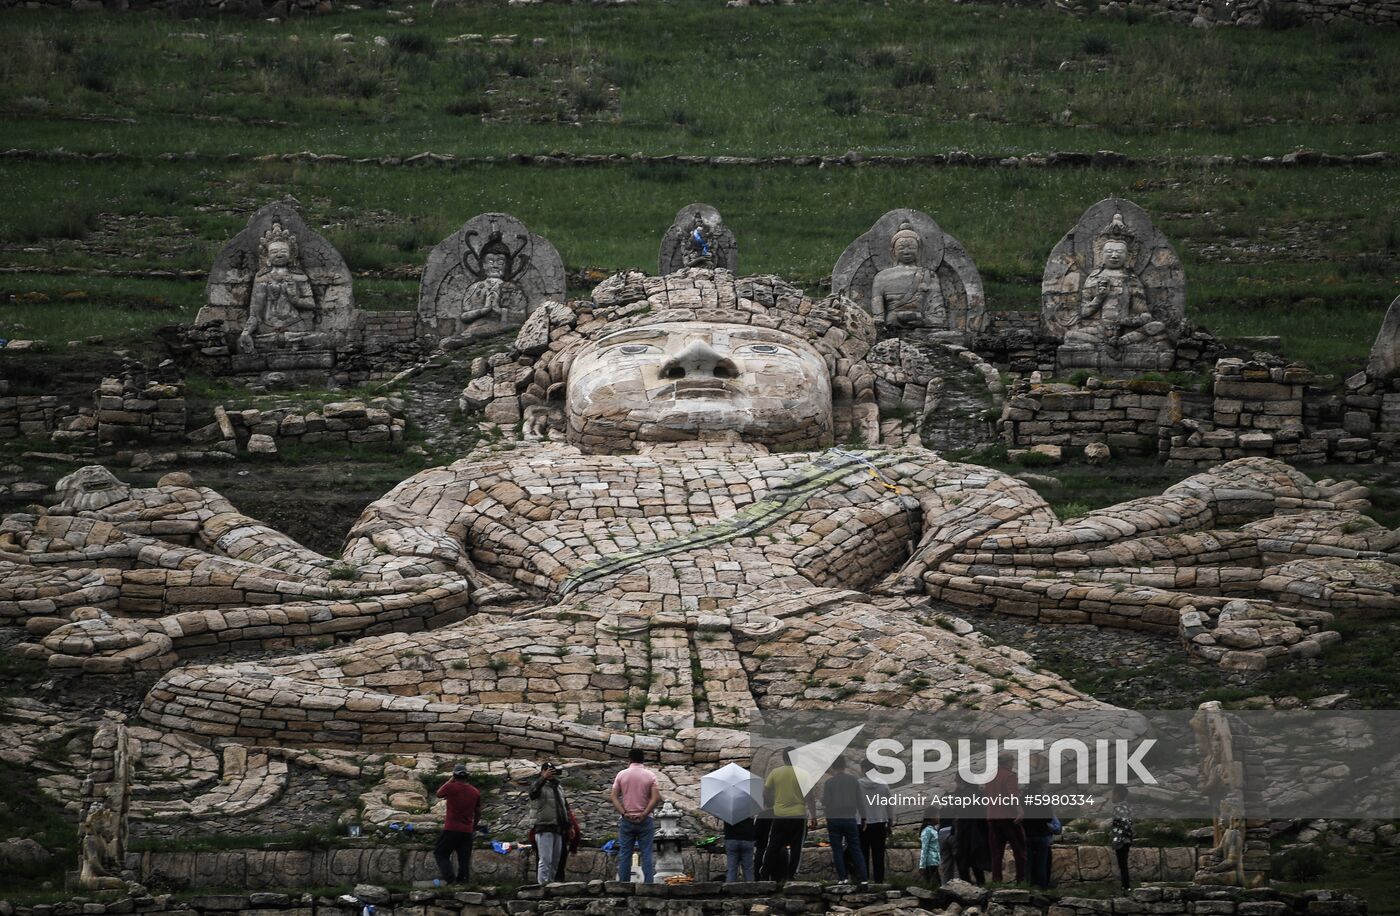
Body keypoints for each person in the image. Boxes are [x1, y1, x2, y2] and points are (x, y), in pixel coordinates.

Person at [763, 749, 818, 882]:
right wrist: (814, 816)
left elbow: (766, 792)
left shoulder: (775, 773)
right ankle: (790, 875)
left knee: (773, 846)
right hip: (798, 816)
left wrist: (771, 803)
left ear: (783, 758)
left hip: (779, 815)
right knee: (796, 847)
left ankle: (765, 873)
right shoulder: (804, 774)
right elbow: (810, 797)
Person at [610, 747, 661, 883]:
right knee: (646, 854)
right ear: (643, 759)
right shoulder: (650, 775)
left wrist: (624, 813)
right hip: (645, 819)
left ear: (630, 759)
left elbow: (614, 797)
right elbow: (656, 798)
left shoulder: (621, 775)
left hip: (627, 820)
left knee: (625, 854)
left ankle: (624, 885)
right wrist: (644, 813)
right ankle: (648, 885)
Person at [821, 757, 868, 887]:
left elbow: (827, 802)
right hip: (849, 818)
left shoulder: (829, 783)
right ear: (844, 765)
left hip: (834, 819)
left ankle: (843, 878)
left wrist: (823, 800)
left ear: (832, 767)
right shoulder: (853, 780)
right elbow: (860, 801)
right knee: (855, 848)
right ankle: (863, 878)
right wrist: (864, 818)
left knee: (837, 850)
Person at [433, 764, 483, 885]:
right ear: (467, 777)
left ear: (454, 776)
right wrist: (473, 826)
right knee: (464, 859)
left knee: (440, 853)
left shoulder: (451, 787)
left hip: (451, 828)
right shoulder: (475, 792)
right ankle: (463, 882)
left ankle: (451, 880)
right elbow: (478, 812)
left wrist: (450, 780)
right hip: (467, 830)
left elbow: (439, 793)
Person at [985, 752, 1027, 884]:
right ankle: (1021, 881)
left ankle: (996, 881)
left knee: (996, 853)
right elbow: (1012, 795)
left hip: (993, 818)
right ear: (1009, 762)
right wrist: (1019, 811)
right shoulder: (1010, 776)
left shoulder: (990, 777)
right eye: (1013, 761)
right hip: (1009, 818)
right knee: (1020, 851)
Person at [529, 761, 570, 885]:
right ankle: (542, 885)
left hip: (558, 828)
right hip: (544, 826)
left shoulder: (558, 787)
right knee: (545, 859)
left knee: (555, 860)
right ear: (542, 771)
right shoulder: (538, 785)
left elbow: (564, 807)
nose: (551, 773)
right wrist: (543, 778)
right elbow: (532, 793)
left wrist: (569, 825)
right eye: (547, 770)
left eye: (552, 771)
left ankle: (551, 884)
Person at [952, 774, 990, 885]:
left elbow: (964, 813)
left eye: (956, 780)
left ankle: (967, 886)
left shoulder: (968, 794)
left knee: (964, 859)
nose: (955, 782)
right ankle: (979, 885)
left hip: (969, 832)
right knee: (973, 861)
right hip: (972, 831)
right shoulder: (974, 793)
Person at [858, 772, 894, 884]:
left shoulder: (857, 784)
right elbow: (889, 803)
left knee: (862, 853)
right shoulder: (883, 784)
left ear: (863, 769)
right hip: (880, 822)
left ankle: (864, 880)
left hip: (862, 823)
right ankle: (879, 880)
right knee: (878, 853)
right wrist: (890, 820)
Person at [1022, 781, 1058, 890]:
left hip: (1027, 835)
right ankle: (1042, 886)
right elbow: (1048, 817)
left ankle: (1029, 885)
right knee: (1041, 862)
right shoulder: (1042, 800)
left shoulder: (1022, 799)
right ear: (1038, 788)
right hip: (1041, 834)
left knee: (1028, 862)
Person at [1109, 785, 1134, 890]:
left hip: (1122, 841)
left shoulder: (1119, 808)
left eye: (1112, 794)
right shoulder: (1127, 807)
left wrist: (1116, 840)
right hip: (1126, 840)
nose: (1111, 797)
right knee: (1123, 864)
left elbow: (1123, 825)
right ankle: (1125, 886)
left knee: (1122, 864)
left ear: (1117, 795)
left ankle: (1125, 886)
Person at [724, 814, 757, 882]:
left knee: (732, 868)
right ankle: (750, 889)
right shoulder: (749, 809)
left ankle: (730, 888)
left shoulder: (727, 810)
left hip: (731, 839)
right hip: (747, 840)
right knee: (748, 868)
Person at [555, 808, 583, 881]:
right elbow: (576, 830)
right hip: (561, 839)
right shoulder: (564, 812)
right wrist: (573, 848)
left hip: (556, 837)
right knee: (559, 868)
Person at [918, 808, 942, 886]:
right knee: (934, 886)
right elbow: (924, 848)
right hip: (930, 863)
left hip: (935, 862)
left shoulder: (934, 830)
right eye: (937, 816)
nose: (939, 818)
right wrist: (922, 866)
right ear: (932, 817)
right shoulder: (927, 831)